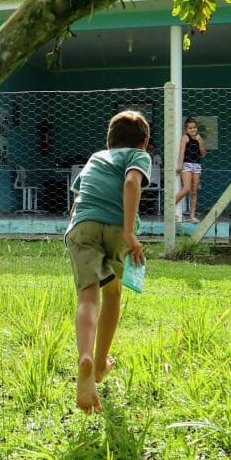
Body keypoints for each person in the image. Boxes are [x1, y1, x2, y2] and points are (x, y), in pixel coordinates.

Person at [65, 110, 150, 414]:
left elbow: (77, 202)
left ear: (109, 141)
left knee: (87, 296)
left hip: (83, 228)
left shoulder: (96, 157)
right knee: (112, 293)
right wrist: (129, 232)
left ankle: (85, 357)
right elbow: (131, 184)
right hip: (115, 229)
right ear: (143, 143)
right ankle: (100, 365)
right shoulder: (138, 157)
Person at [174, 117, 206, 222]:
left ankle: (192, 216)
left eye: (194, 128)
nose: (192, 130)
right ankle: (170, 207)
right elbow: (182, 152)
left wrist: (200, 141)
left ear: (197, 128)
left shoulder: (199, 138)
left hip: (197, 165)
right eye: (190, 128)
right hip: (187, 165)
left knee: (194, 192)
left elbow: (203, 154)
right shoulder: (185, 137)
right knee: (186, 188)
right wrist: (179, 165)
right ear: (186, 129)